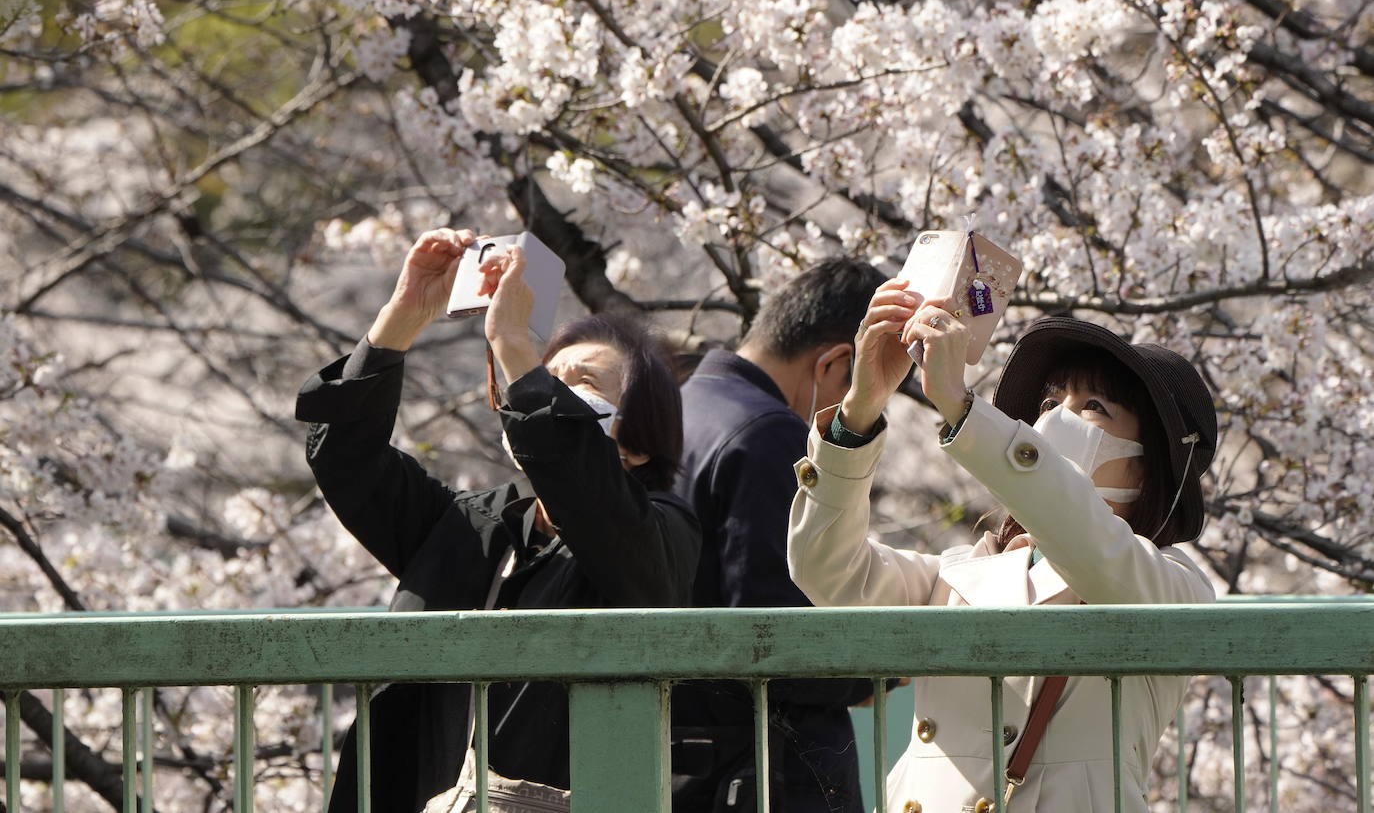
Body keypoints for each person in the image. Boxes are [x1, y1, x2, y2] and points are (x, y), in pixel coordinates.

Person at [296, 227, 701, 813]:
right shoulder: (466, 525)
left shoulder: (665, 532)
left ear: (638, 445)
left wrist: (514, 341)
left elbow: (598, 506)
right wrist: (401, 318)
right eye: (542, 377)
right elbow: (343, 456)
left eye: (580, 381)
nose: (539, 392)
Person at [787, 282, 1218, 813]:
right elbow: (828, 571)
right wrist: (858, 412)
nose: (1056, 418)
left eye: (1094, 407)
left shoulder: (1174, 585)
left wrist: (962, 407)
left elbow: (1090, 547)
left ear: (1151, 463)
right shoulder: (960, 575)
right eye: (1049, 401)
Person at [671, 258, 886, 813]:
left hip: (680, 755)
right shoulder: (769, 433)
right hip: (762, 771)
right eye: (862, 390)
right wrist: (878, 667)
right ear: (836, 363)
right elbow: (774, 637)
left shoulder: (676, 407)